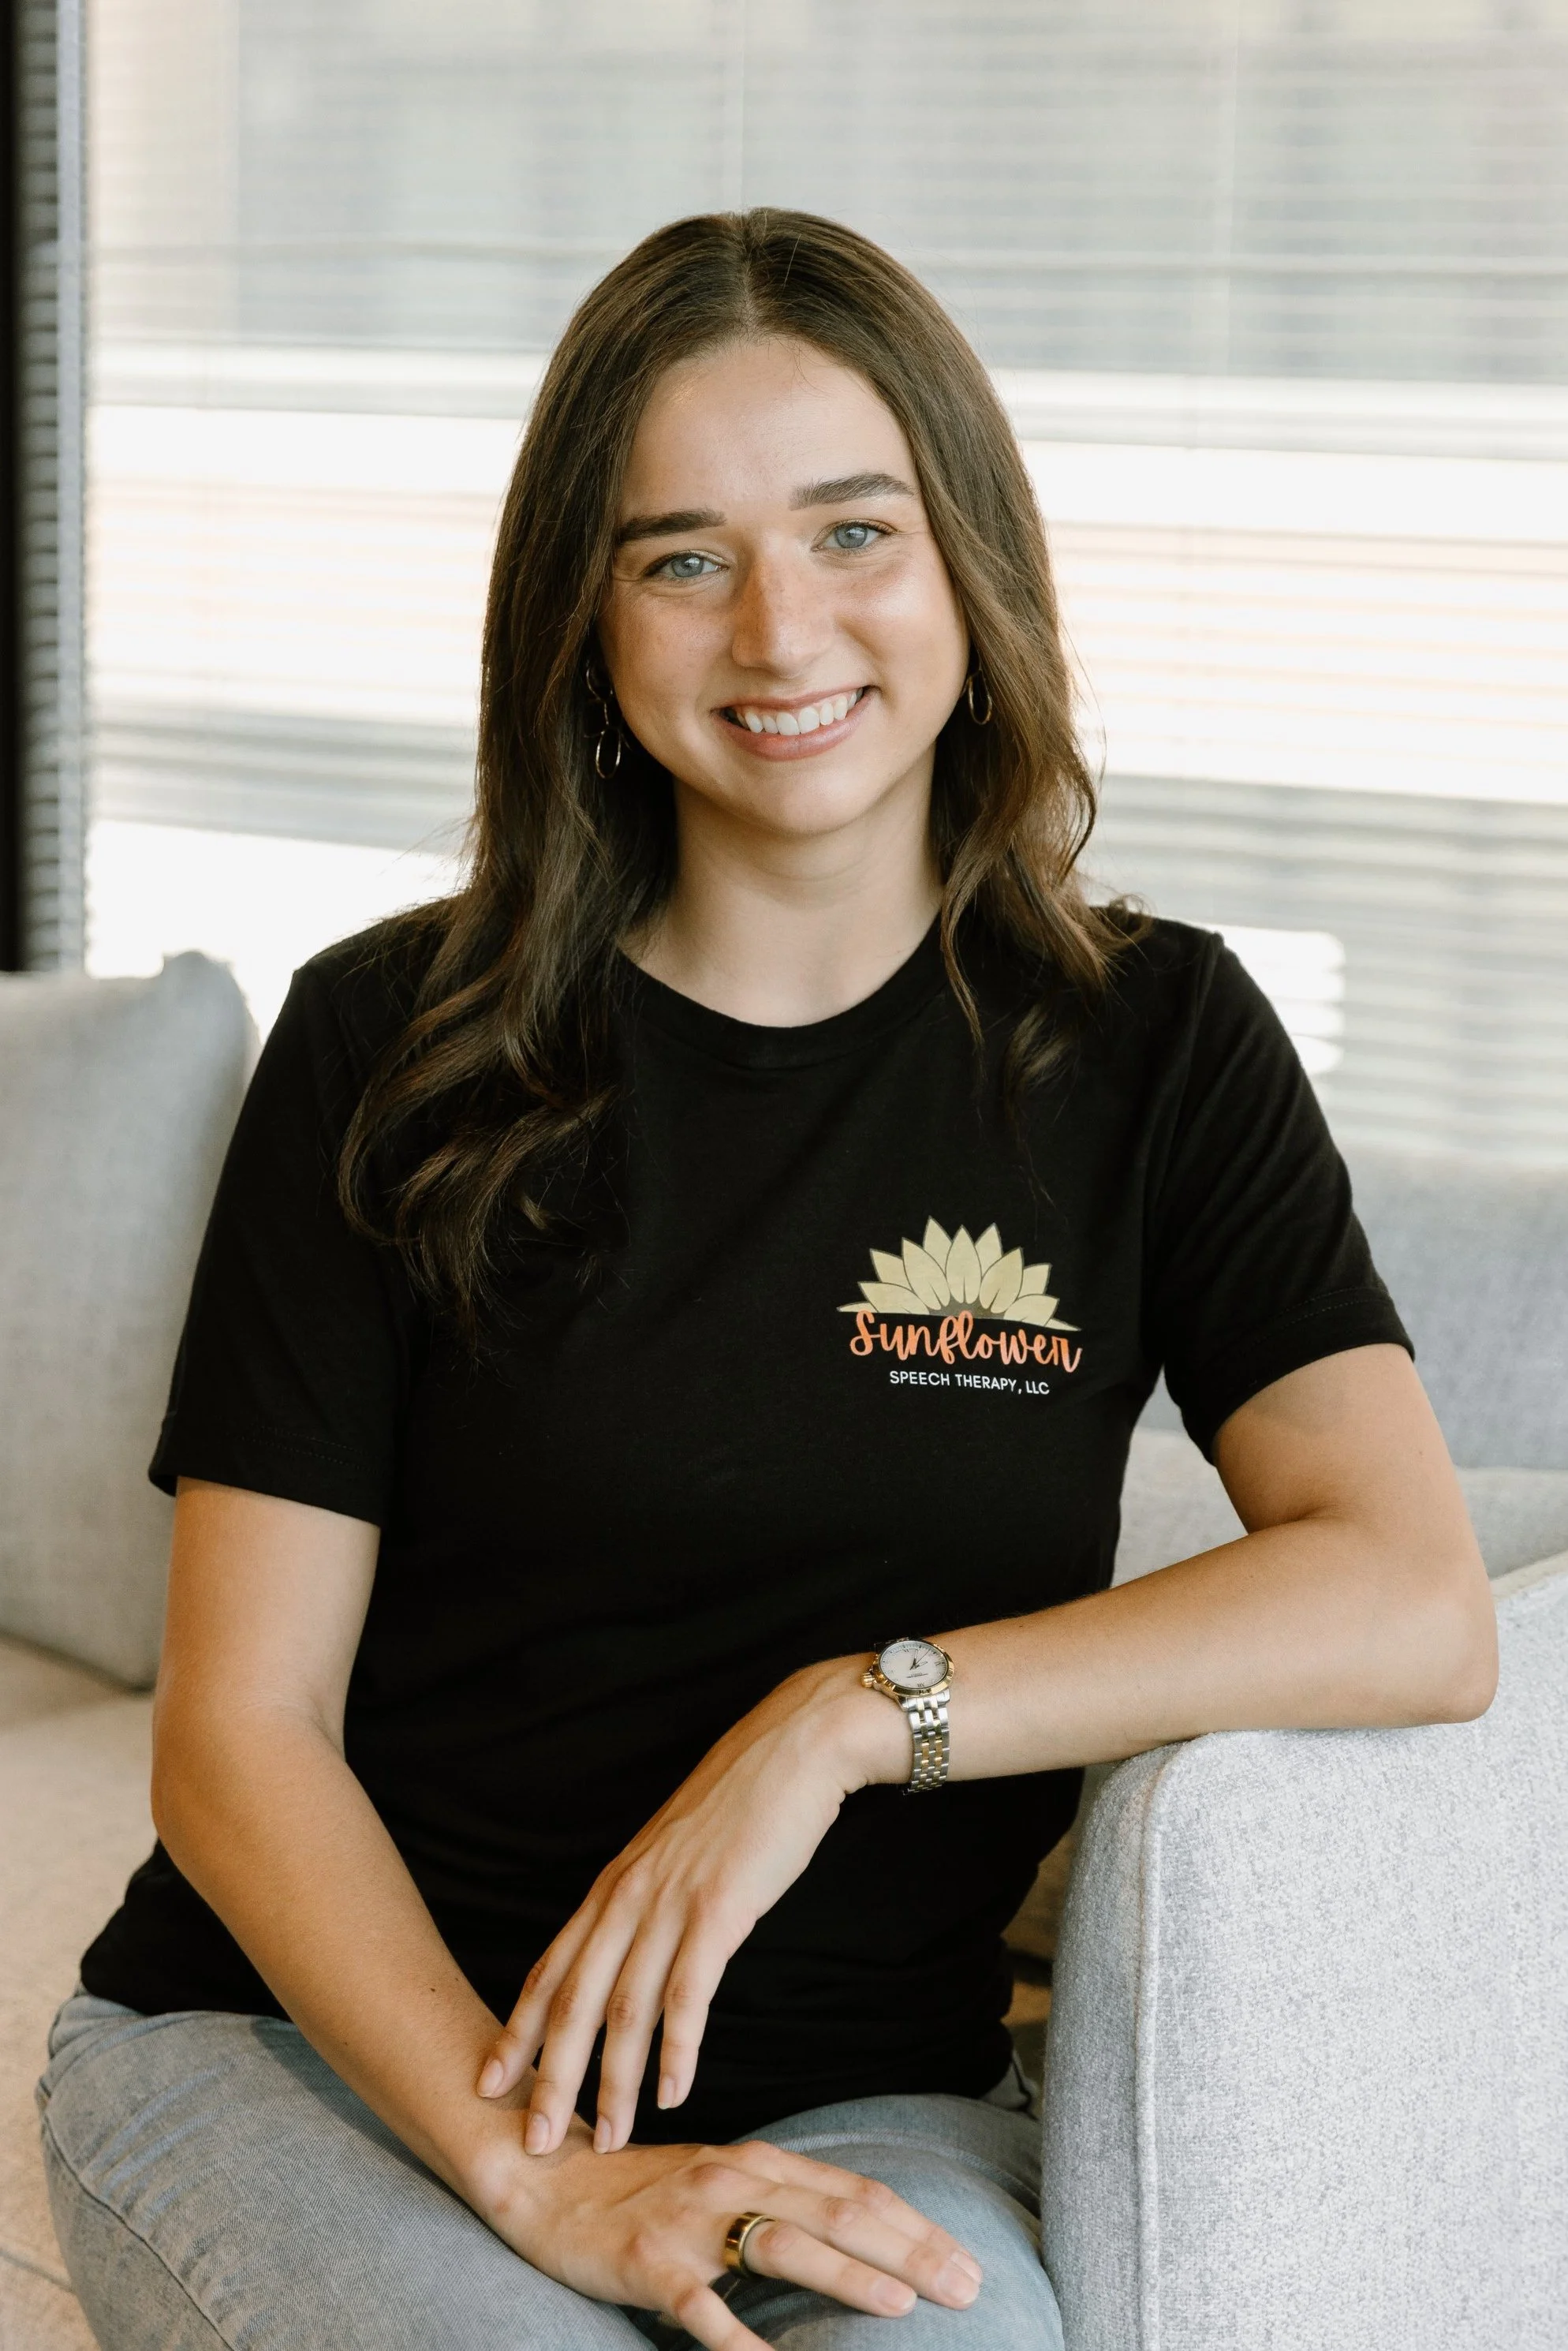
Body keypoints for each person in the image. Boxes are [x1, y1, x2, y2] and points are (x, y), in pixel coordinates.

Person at [37, 209, 1495, 2351]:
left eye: (849, 531)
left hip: (870, 2091)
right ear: (585, 622)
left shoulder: (1150, 1044)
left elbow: (1411, 1595)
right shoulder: (390, 1046)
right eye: (680, 554)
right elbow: (238, 1735)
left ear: (965, 568)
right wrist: (535, 2169)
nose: (778, 627)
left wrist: (841, 1721)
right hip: (313, 2058)